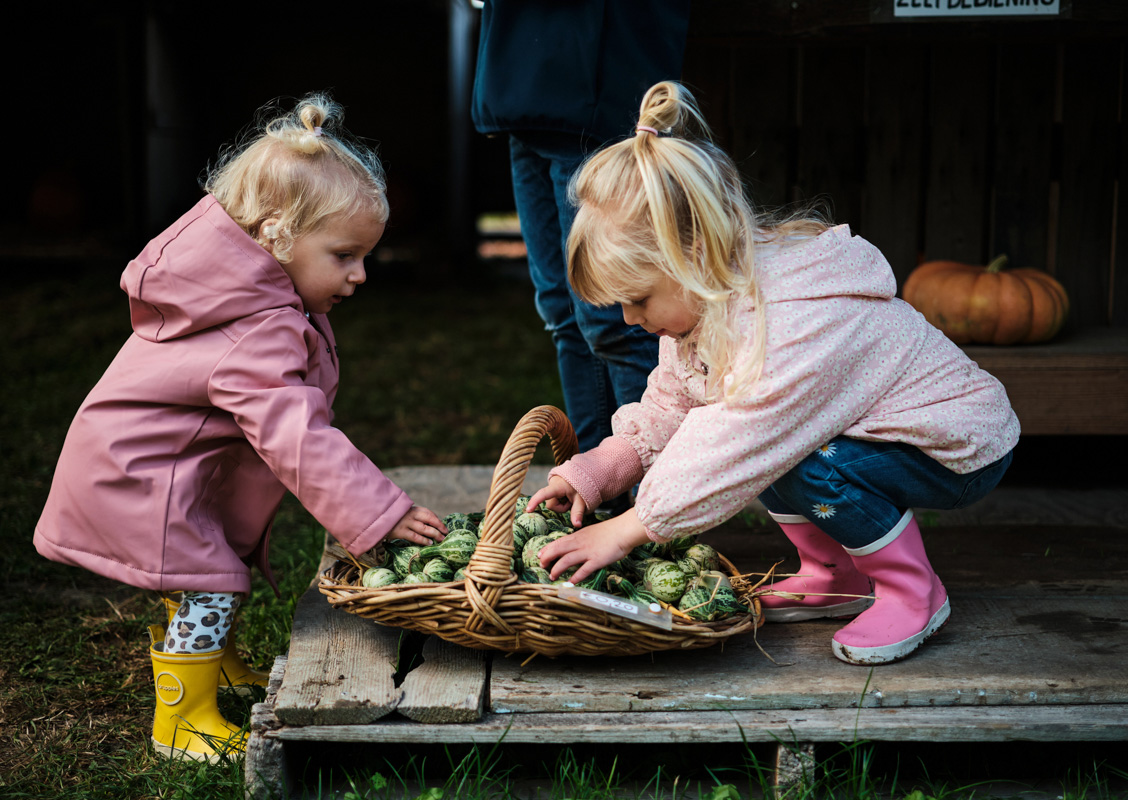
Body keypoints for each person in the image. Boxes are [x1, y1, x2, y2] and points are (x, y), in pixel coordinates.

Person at [527, 82, 1020, 666]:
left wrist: (630, 528)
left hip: (954, 444)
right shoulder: (703, 306)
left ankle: (913, 593)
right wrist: (598, 472)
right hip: (867, 431)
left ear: (694, 256)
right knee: (781, 454)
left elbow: (736, 440)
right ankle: (836, 574)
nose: (632, 321)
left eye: (637, 300)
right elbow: (671, 409)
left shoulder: (791, 319)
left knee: (792, 459)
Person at [33, 93, 447, 761]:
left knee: (204, 569)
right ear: (278, 235)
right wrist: (379, 510)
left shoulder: (246, 297)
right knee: (207, 578)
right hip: (142, 477)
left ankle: (211, 667)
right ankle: (182, 721)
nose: (360, 274)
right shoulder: (254, 325)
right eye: (344, 255)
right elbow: (295, 435)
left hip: (145, 464)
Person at [471, 0, 690, 466]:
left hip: (595, 77)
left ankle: (648, 502)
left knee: (614, 317)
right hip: (522, 88)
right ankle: (594, 485)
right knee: (561, 310)